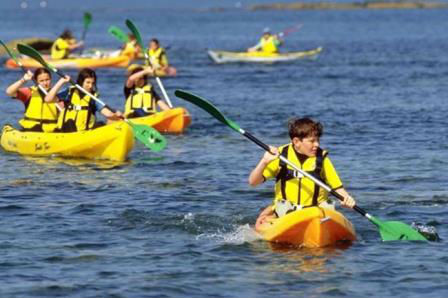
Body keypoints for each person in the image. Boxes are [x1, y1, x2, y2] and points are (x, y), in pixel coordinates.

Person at [248, 117, 356, 229]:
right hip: (286, 213)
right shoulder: (280, 156)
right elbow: (253, 182)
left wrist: (347, 199)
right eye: (312, 141)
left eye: (318, 140)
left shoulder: (322, 159)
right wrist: (264, 161)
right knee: (263, 218)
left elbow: (338, 188)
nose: (317, 145)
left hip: (316, 213)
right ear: (296, 142)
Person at [45, 68, 122, 132]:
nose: (90, 86)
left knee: (101, 124)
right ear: (81, 81)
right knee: (70, 122)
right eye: (88, 82)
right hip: (66, 131)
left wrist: (116, 115)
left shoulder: (93, 97)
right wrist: (61, 82)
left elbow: (107, 114)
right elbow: (48, 99)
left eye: (92, 83)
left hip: (84, 134)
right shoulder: (70, 92)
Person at [5, 68, 61, 132]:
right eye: (41, 81)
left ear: (51, 79)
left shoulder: (57, 95)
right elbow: (9, 92)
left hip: (51, 132)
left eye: (47, 80)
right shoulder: (29, 92)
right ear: (36, 81)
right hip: (30, 130)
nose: (45, 83)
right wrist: (23, 80)